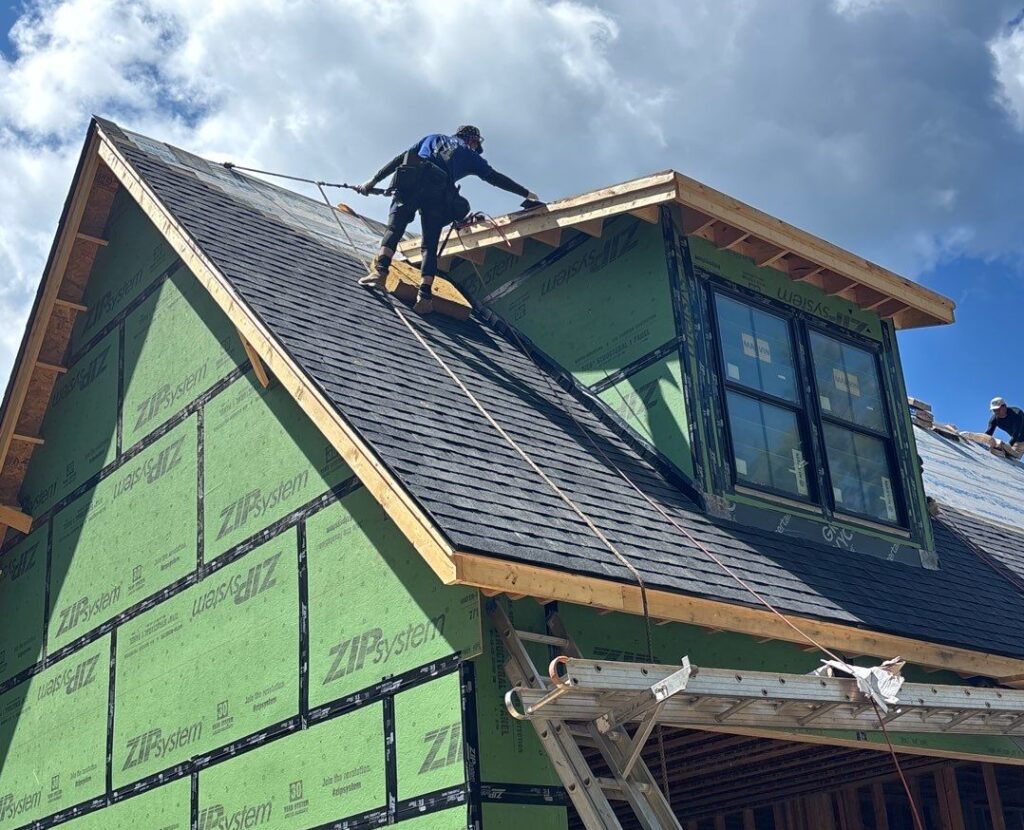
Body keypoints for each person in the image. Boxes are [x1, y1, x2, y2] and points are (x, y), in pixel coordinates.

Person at [354, 126, 537, 314]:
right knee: (429, 245)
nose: (475, 148)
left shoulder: (432, 138)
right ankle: (424, 297)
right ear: (470, 139)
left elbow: (402, 158)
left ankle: (380, 273)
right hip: (438, 192)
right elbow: (495, 178)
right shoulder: (470, 155)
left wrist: (372, 182)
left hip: (413, 179)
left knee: (395, 227)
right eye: (475, 144)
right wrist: (527, 194)